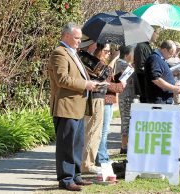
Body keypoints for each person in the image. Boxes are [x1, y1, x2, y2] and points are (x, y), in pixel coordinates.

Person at [48, 22, 98, 191]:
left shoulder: (73, 53)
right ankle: (66, 179)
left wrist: (92, 82)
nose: (79, 41)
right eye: (76, 38)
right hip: (66, 106)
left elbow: (78, 74)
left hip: (76, 106)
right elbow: (62, 79)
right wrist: (86, 84)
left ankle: (76, 176)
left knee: (77, 144)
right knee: (66, 145)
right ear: (67, 36)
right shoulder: (59, 53)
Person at [78, 40, 110, 174]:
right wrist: (113, 59)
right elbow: (105, 73)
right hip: (94, 98)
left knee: (92, 130)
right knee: (93, 130)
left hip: (95, 97)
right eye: (106, 51)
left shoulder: (82, 56)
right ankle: (87, 163)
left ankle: (86, 162)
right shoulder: (84, 56)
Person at [95, 44, 125, 166]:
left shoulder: (104, 64)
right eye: (106, 51)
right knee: (103, 131)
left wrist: (120, 76)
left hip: (108, 101)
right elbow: (106, 83)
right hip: (105, 100)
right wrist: (120, 85)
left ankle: (102, 155)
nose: (108, 54)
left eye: (109, 52)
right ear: (99, 51)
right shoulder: (99, 64)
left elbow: (109, 78)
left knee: (104, 130)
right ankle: (101, 157)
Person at [144, 40, 180, 104]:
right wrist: (174, 88)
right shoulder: (155, 59)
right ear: (164, 50)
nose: (172, 56)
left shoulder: (160, 59)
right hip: (159, 100)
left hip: (163, 99)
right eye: (171, 53)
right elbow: (156, 79)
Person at [115, 45, 135, 154]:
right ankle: (124, 146)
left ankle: (126, 145)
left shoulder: (123, 63)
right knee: (126, 120)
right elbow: (131, 72)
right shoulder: (121, 64)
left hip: (127, 95)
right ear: (127, 54)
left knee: (128, 120)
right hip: (126, 96)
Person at [133, 27, 161, 103]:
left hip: (149, 87)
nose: (158, 36)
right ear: (151, 32)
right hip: (144, 87)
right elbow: (140, 67)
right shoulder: (141, 46)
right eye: (157, 33)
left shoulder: (147, 46)